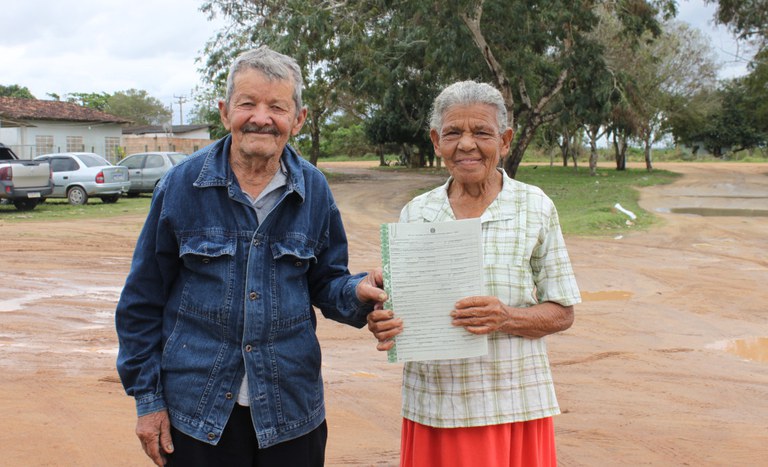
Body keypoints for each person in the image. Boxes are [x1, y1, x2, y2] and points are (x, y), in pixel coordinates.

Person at [115, 46, 386, 467]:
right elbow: (141, 302)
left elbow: (327, 281)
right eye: (247, 104)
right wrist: (148, 402)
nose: (261, 117)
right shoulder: (180, 187)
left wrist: (359, 292)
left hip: (291, 411)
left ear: (298, 119)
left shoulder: (313, 190)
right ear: (226, 113)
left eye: (276, 106)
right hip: (197, 415)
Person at [367, 80, 581, 467]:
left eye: (481, 132)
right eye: (453, 133)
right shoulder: (417, 213)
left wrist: (507, 317)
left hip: (515, 405)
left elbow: (563, 312)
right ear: (436, 141)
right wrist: (384, 319)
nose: (466, 144)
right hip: (435, 407)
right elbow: (402, 313)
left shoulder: (535, 206)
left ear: (505, 140)